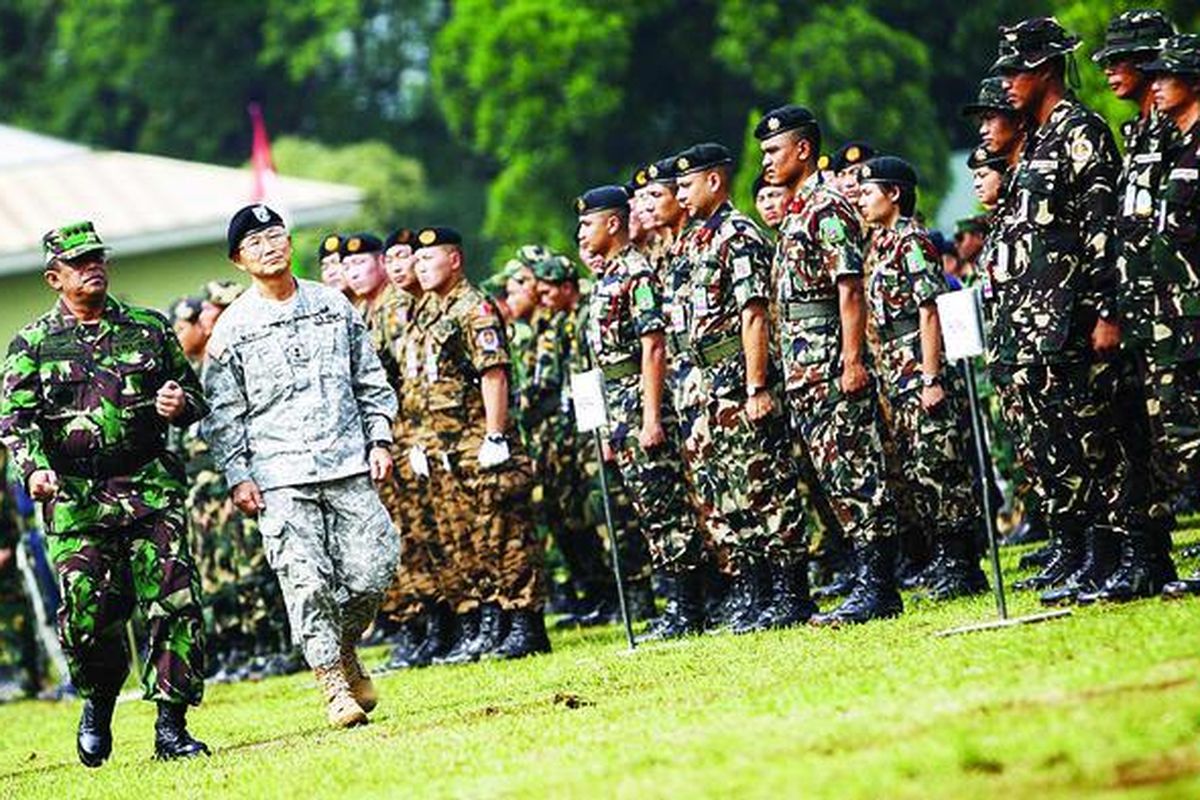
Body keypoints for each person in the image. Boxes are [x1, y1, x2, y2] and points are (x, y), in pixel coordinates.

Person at [0, 221, 210, 765]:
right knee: (89, 614)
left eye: (97, 257)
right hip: (76, 497)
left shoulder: (148, 329)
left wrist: (178, 404)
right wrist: (33, 470)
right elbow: (15, 423)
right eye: (78, 263)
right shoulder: (32, 345)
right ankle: (97, 701)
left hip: (148, 487)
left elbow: (191, 393)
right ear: (54, 277)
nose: (92, 267)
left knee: (174, 603)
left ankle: (171, 726)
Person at [202, 204, 399, 728]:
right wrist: (237, 474)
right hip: (279, 476)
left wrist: (380, 439)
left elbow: (370, 381)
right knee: (305, 581)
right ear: (239, 260)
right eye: (255, 243)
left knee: (373, 570)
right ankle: (334, 686)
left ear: (290, 242)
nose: (269, 246)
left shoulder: (333, 305)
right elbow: (224, 415)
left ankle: (346, 645)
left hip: (347, 461)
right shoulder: (232, 328)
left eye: (276, 236)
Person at [991, 17, 1145, 605]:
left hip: (1076, 319)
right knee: (1064, 449)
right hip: (1038, 326)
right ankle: (1089, 554)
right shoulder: (1037, 139)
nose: (1006, 82)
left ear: (1046, 68)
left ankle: (1126, 555)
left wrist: (1108, 310)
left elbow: (1102, 229)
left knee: (1102, 444)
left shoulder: (1082, 131)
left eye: (1016, 69)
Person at [756, 106, 901, 625]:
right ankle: (867, 579)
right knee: (836, 476)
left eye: (774, 150)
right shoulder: (797, 212)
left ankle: (880, 586)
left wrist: (853, 359)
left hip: (830, 362)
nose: (767, 161)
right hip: (805, 368)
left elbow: (850, 289)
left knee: (857, 470)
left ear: (801, 150)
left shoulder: (827, 207)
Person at [672, 142, 811, 632]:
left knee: (766, 487)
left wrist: (757, 387)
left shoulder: (739, 235)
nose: (679, 194)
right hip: (703, 386)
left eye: (686, 184)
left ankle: (792, 591)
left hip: (737, 378)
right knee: (726, 493)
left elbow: (754, 314)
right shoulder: (691, 242)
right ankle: (756, 589)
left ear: (714, 181)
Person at [409, 226, 550, 660]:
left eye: (429, 259)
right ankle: (493, 621)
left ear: (454, 260)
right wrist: (419, 439)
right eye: (417, 260)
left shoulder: (475, 308)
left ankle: (525, 622)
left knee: (506, 532)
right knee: (472, 537)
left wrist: (495, 434)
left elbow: (494, 373)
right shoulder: (428, 311)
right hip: (443, 443)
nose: (421, 267)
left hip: (476, 436)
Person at [575, 185, 706, 639]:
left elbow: (654, 349)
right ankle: (681, 602)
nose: (581, 232)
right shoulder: (605, 278)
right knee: (649, 506)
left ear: (613, 224)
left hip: (640, 402)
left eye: (587, 223)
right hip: (618, 406)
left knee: (666, 504)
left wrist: (651, 417)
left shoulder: (636, 275)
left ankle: (689, 604)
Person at [856, 157, 988, 599]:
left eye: (868, 191)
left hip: (919, 361)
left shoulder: (912, 241)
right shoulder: (881, 244)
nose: (861, 199)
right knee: (918, 466)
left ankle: (962, 563)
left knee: (940, 463)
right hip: (897, 366)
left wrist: (932, 376)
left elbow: (929, 312)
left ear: (893, 194)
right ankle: (946, 559)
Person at [1088, 10, 1184, 602]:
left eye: (1121, 60)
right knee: (1147, 437)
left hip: (1180, 312)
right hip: (1149, 314)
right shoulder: (1144, 131)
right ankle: (1149, 556)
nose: (1110, 71)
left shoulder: (1179, 128)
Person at [1142, 34, 1200, 597]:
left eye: (1168, 75)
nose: (1155, 83)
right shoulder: (1180, 148)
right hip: (1177, 321)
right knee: (1184, 436)